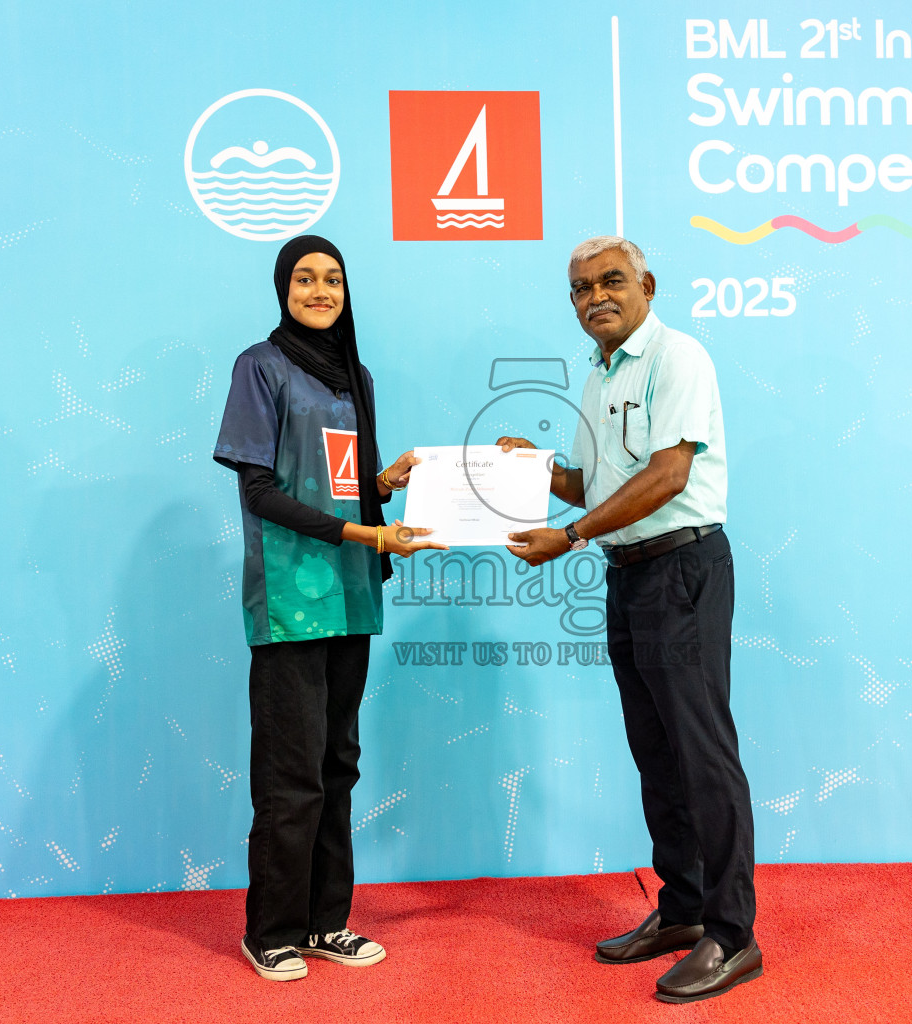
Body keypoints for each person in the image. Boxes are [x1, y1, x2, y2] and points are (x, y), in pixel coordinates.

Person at [497, 236, 759, 1004]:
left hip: (683, 570)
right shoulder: (597, 375)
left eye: (611, 281)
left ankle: (733, 934)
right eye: (580, 289)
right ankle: (681, 911)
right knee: (658, 753)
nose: (595, 297)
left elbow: (668, 474)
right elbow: (590, 484)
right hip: (629, 575)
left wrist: (570, 537)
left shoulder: (679, 358)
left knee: (703, 754)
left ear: (648, 283)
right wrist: (533, 469)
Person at [214, 234, 444, 982]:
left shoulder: (355, 375)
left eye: (333, 279)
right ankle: (271, 929)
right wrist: (364, 529)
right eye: (306, 278)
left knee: (338, 764)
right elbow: (261, 491)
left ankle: (325, 922)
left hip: (351, 593)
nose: (321, 290)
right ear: (283, 288)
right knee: (291, 773)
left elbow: (335, 482)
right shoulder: (261, 367)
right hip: (290, 598)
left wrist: (386, 483)